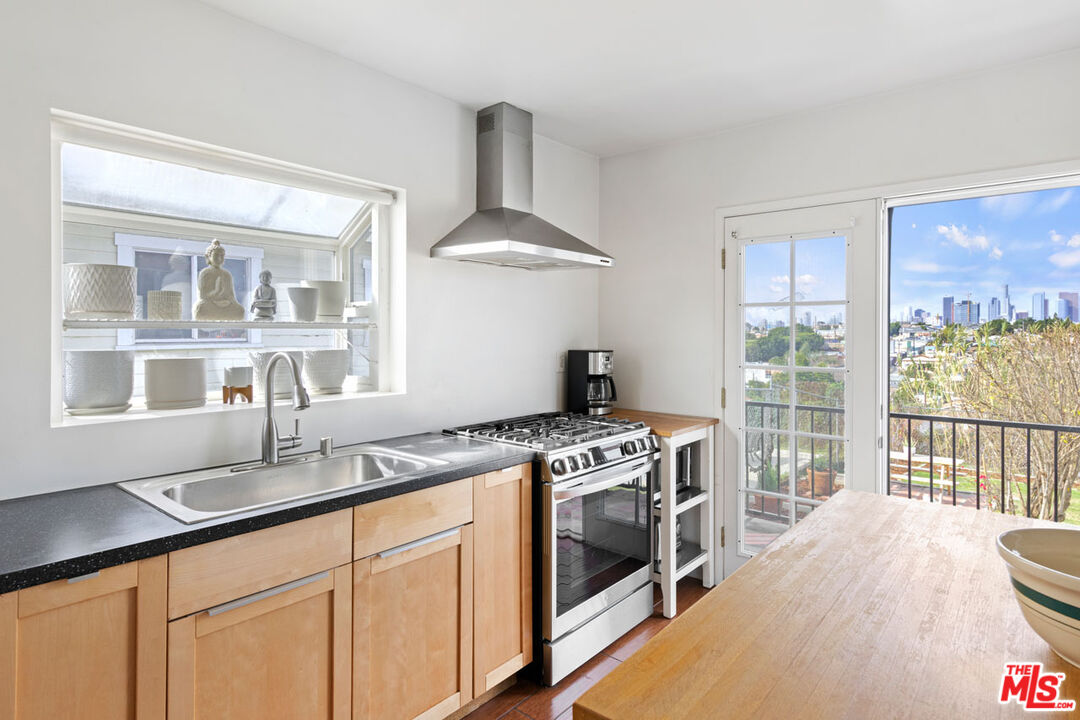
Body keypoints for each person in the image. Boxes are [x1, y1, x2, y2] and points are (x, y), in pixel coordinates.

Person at [193, 240, 245, 321]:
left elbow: (231, 296)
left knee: (240, 310)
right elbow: (203, 296)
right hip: (210, 304)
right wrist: (216, 291)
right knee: (200, 308)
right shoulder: (205, 273)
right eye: (216, 255)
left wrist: (228, 301)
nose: (219, 258)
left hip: (225, 305)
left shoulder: (227, 274)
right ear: (208, 257)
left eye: (222, 256)